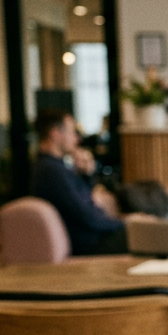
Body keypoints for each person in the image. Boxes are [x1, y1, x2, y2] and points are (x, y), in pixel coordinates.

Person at [29, 109, 126, 255]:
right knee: (151, 236)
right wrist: (125, 223)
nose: (77, 139)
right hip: (90, 243)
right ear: (55, 133)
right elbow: (88, 218)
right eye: (72, 132)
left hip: (94, 238)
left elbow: (86, 203)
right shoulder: (51, 171)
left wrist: (86, 174)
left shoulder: (55, 167)